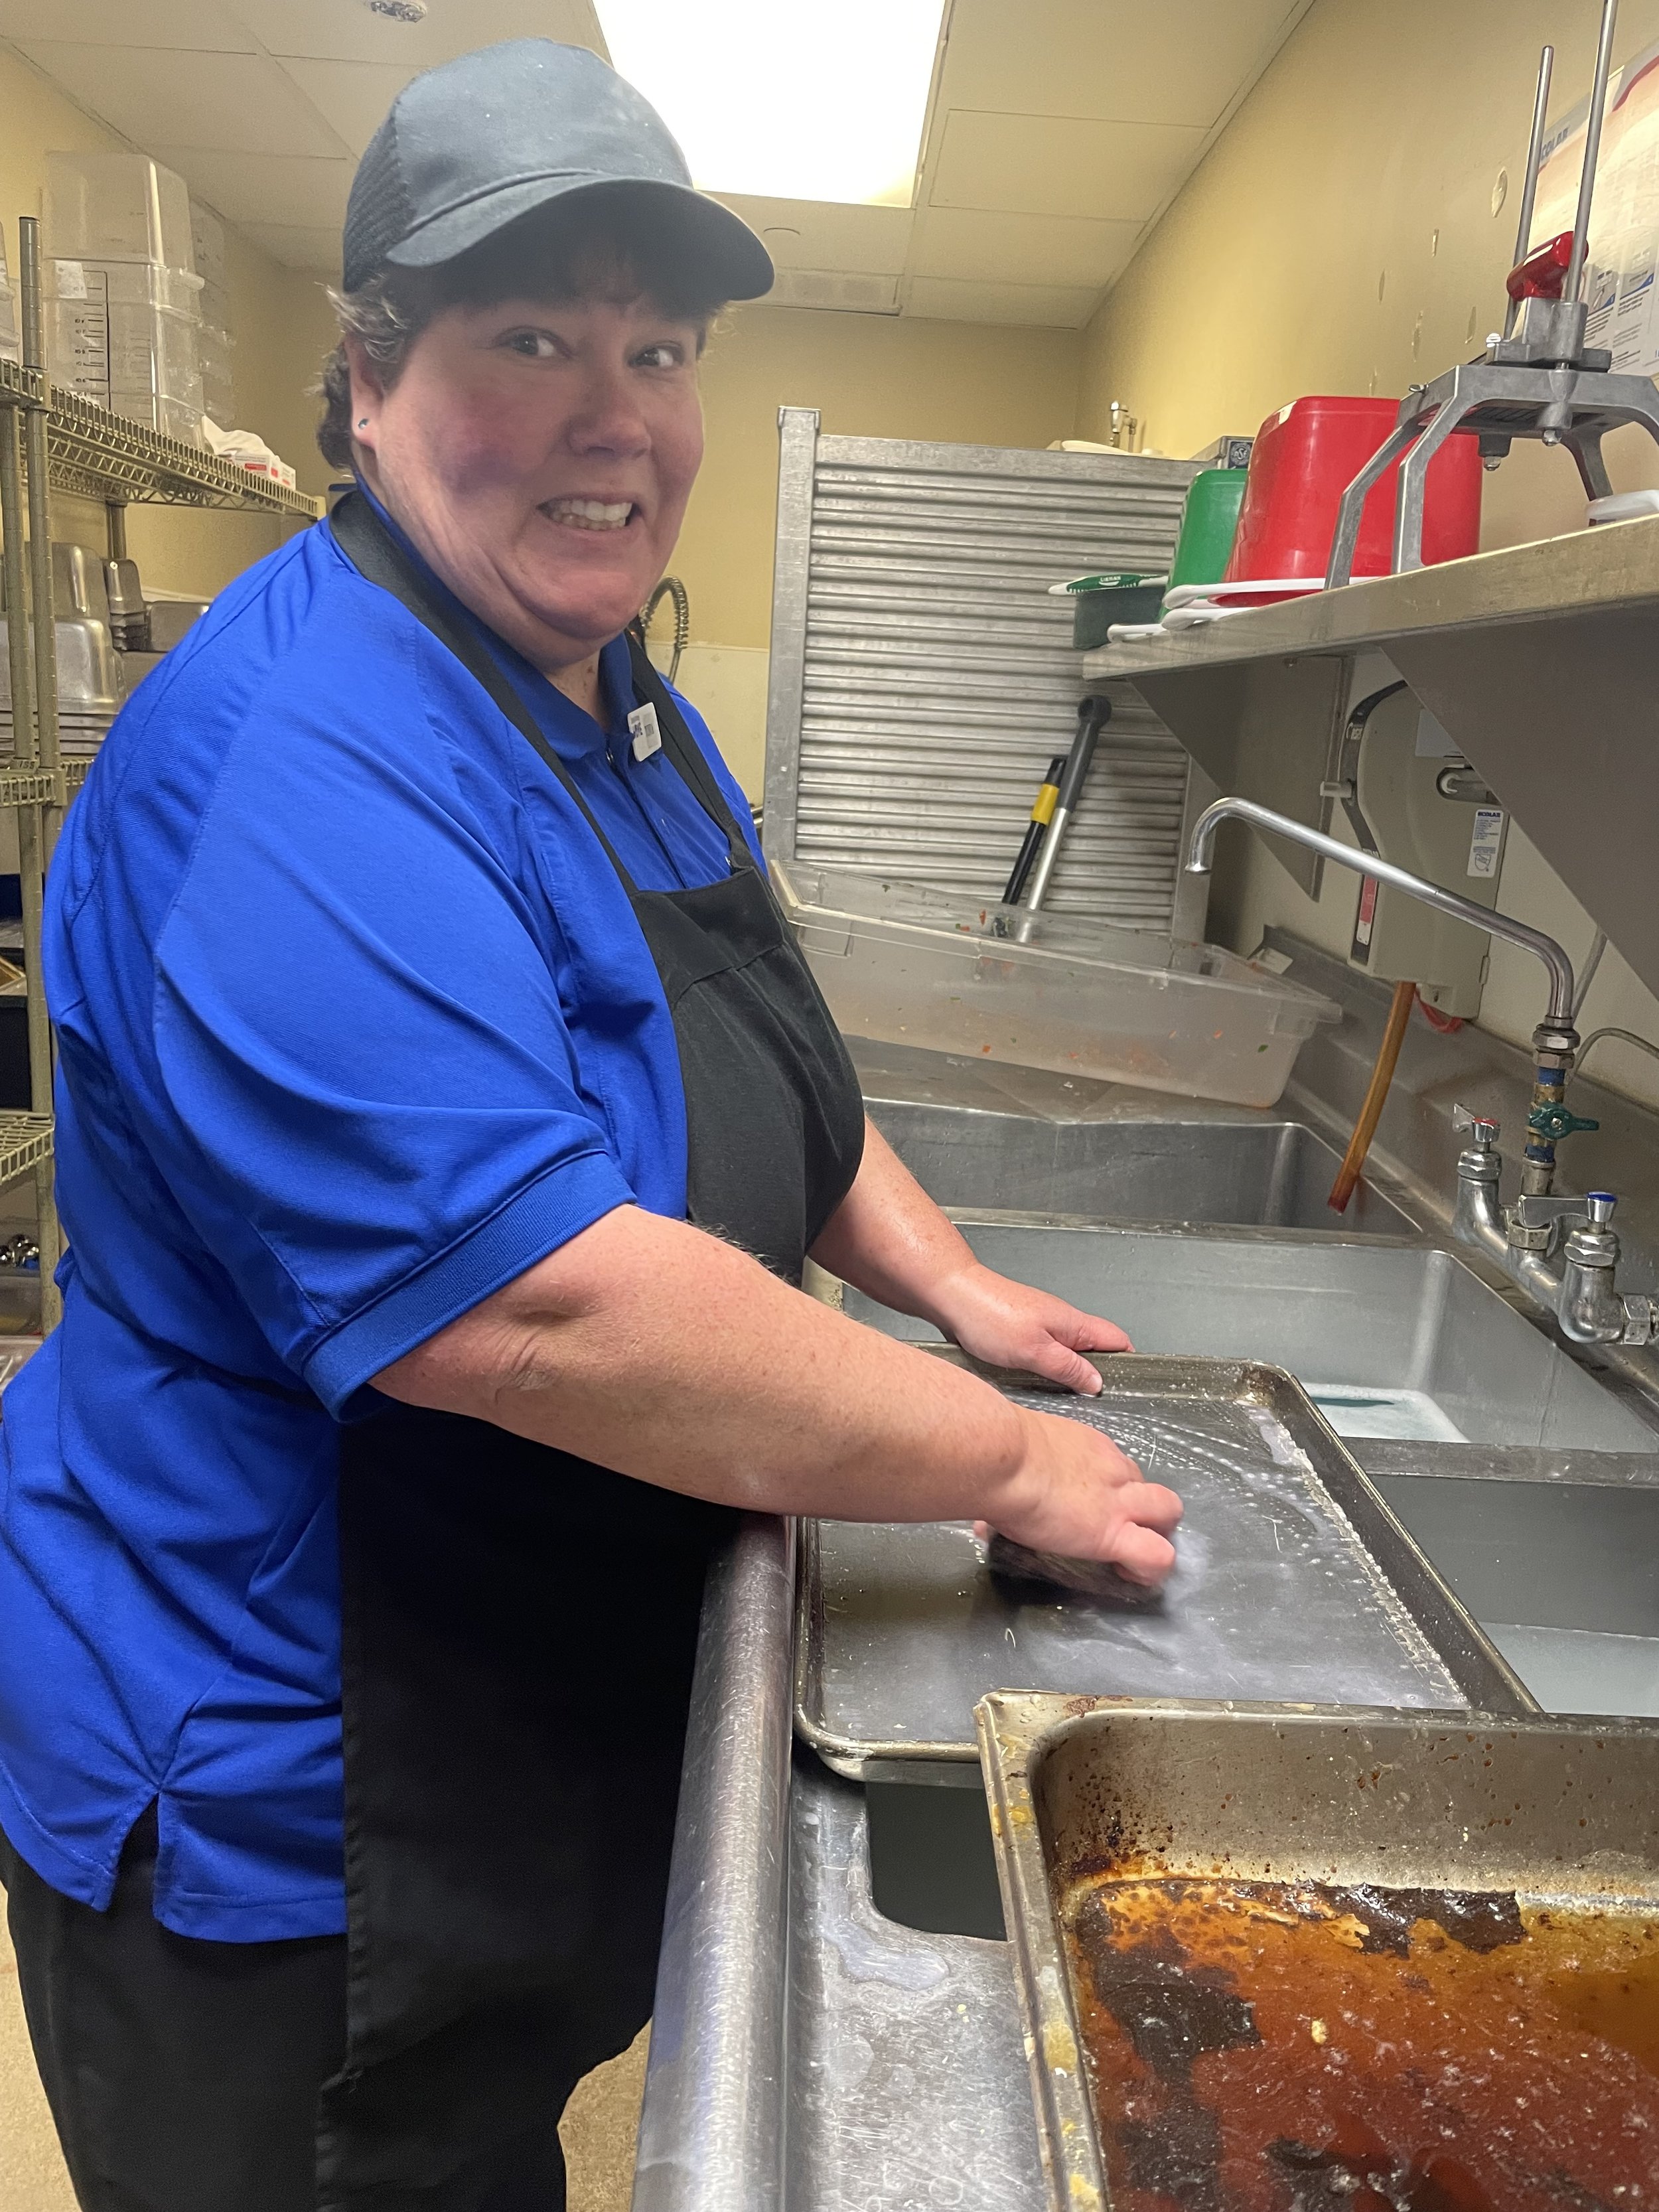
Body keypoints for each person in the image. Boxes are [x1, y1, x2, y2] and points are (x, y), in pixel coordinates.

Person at [0, 39, 1182, 2212]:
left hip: (492, 1693)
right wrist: (1001, 1456)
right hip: (294, 1783)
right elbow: (536, 1310)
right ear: (368, 385)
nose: (607, 406)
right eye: (524, 334)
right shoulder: (302, 759)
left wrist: (943, 1286)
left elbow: (761, 1064)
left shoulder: (617, 697)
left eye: (654, 344)